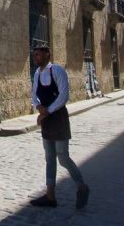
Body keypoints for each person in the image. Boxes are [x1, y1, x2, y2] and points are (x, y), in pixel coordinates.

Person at [29, 46, 89, 209]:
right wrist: (38, 107)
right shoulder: (37, 74)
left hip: (58, 118)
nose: (36, 57)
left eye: (38, 55)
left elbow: (64, 95)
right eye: (34, 55)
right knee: (49, 158)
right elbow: (34, 95)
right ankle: (50, 196)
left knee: (62, 157)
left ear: (47, 54)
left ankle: (82, 186)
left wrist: (47, 111)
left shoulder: (56, 70)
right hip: (46, 119)